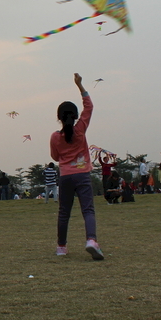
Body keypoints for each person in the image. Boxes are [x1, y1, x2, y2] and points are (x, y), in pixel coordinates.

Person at [50, 73, 103, 260]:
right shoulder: (80, 129)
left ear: (59, 117)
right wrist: (80, 86)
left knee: (64, 212)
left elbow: (55, 157)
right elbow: (89, 106)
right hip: (82, 175)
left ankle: (61, 247)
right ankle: (91, 240)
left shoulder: (55, 136)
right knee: (87, 210)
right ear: (75, 116)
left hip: (65, 176)